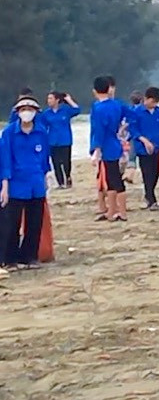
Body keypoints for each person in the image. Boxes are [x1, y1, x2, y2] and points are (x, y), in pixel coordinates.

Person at [1, 95, 52, 269]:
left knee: (35, 222)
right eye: (23, 110)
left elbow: (45, 158)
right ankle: (10, 259)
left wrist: (46, 179)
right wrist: (4, 185)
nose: (26, 113)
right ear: (18, 113)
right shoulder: (9, 133)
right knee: (11, 223)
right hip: (16, 183)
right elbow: (5, 159)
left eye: (30, 110)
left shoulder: (41, 132)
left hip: (36, 183)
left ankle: (29, 257)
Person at [89, 76, 128, 221]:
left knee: (115, 179)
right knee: (111, 180)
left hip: (106, 146)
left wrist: (96, 150)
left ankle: (122, 212)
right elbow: (132, 115)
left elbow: (98, 131)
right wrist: (123, 128)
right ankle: (112, 211)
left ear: (95, 91)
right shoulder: (117, 104)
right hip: (114, 143)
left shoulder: (98, 108)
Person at [131, 88, 159, 210]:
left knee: (155, 173)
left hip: (157, 147)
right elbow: (134, 130)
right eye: (152, 102)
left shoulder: (158, 111)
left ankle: (148, 196)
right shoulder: (136, 112)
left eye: (156, 102)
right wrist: (145, 141)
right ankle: (152, 200)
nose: (154, 104)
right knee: (147, 173)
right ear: (145, 99)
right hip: (143, 148)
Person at [42, 91, 80, 189]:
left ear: (57, 100)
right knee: (56, 163)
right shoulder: (46, 114)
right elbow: (42, 127)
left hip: (65, 140)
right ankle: (60, 183)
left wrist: (69, 100)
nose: (48, 101)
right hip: (52, 141)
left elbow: (77, 110)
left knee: (66, 162)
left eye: (51, 98)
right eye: (48, 99)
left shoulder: (65, 110)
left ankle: (67, 177)